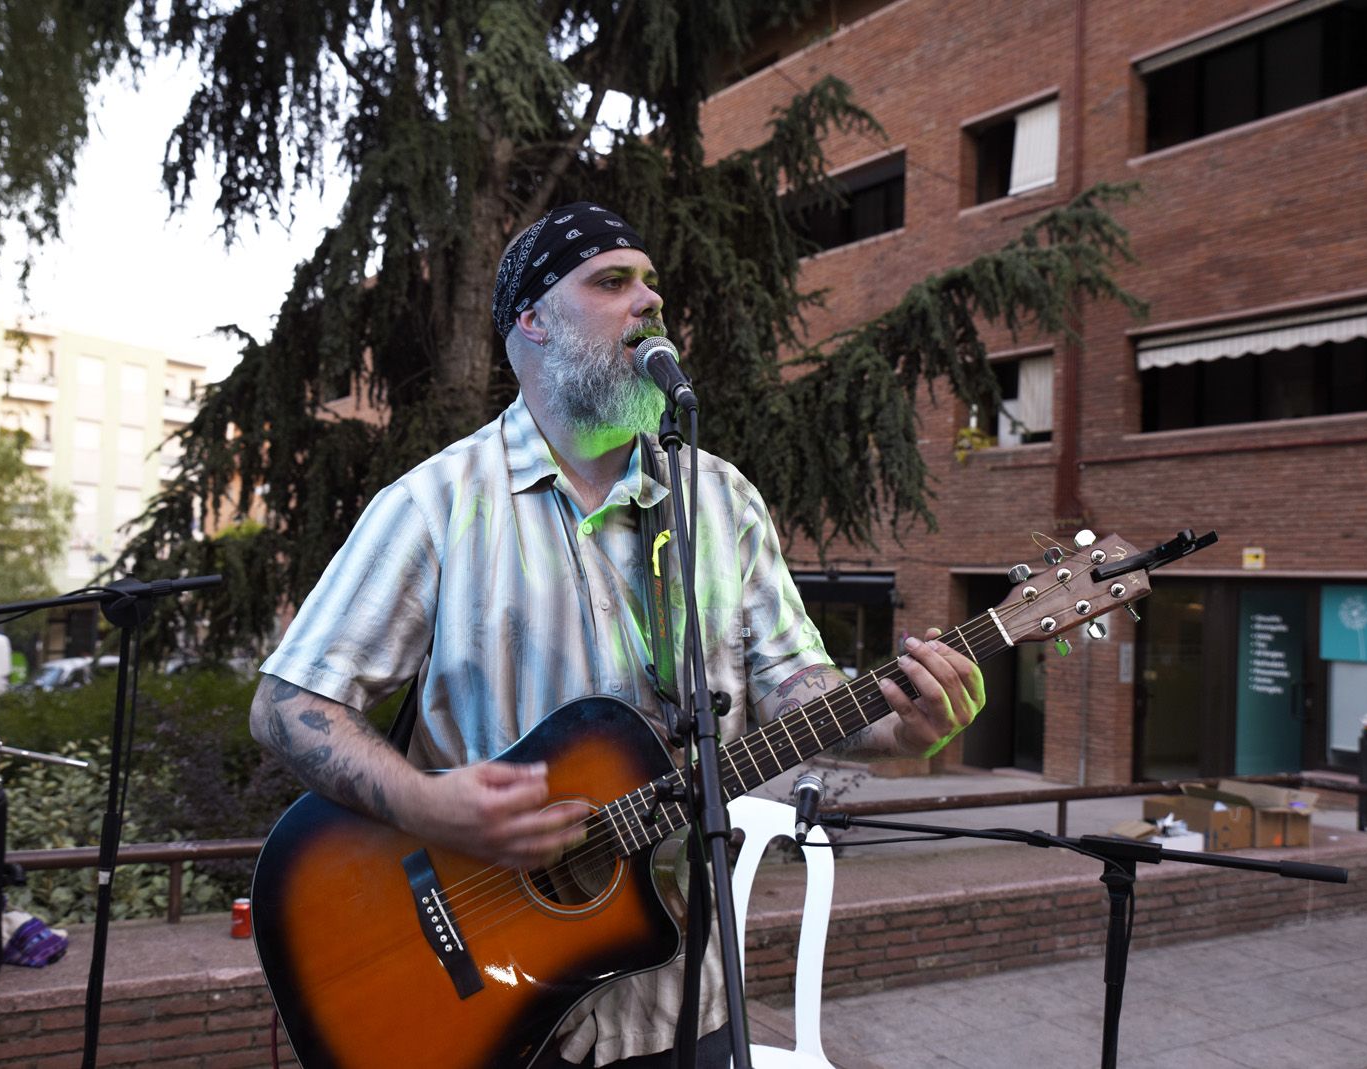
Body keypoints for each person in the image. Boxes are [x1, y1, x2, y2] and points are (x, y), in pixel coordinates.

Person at [250, 201, 985, 1068]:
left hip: (687, 999)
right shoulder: (435, 503)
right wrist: (426, 804)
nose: (648, 302)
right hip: (500, 1015)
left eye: (652, 286)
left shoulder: (721, 500)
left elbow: (795, 682)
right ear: (532, 318)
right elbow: (289, 702)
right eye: (612, 281)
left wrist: (893, 723)